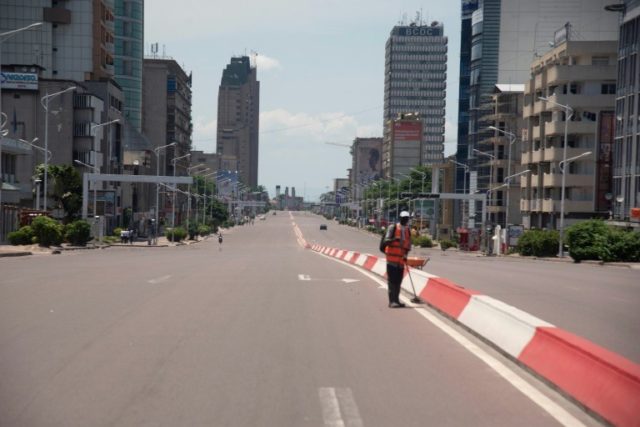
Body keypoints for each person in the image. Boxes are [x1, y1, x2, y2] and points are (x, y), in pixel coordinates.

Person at [382, 211, 412, 308]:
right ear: (400, 218)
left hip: (401, 261)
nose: (406, 219)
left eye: (407, 217)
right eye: (404, 217)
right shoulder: (393, 227)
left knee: (398, 281)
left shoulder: (408, 230)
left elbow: (408, 246)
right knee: (392, 281)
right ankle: (392, 301)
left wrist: (406, 255)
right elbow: (386, 241)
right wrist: (394, 239)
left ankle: (397, 300)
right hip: (391, 260)